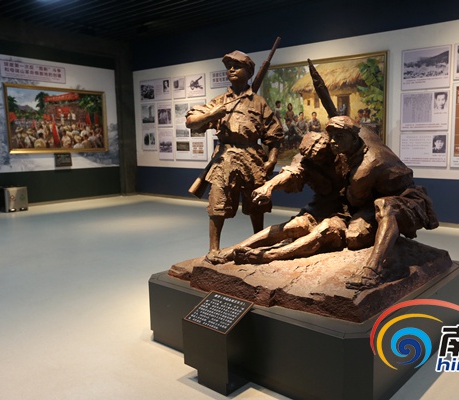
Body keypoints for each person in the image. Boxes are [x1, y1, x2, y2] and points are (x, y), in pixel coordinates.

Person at [185, 50, 284, 261]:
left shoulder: (259, 102)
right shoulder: (219, 101)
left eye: (237, 66)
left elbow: (273, 133)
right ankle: (213, 250)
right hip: (225, 159)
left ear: (249, 72)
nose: (231, 69)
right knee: (217, 204)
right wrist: (212, 114)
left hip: (252, 158)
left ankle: (258, 243)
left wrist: (272, 159)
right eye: (228, 66)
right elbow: (191, 121)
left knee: (257, 204)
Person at [325, 116, 439, 289]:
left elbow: (355, 199)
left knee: (384, 206)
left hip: (408, 202)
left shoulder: (366, 168)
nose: (332, 141)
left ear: (353, 138)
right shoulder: (363, 133)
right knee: (354, 238)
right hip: (374, 199)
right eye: (331, 136)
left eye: (339, 137)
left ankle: (373, 270)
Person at [209, 130, 349, 264]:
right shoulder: (306, 159)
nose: (315, 163)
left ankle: (269, 255)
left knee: (324, 229)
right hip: (322, 208)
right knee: (292, 226)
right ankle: (232, 251)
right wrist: (268, 187)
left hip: (347, 213)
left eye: (319, 158)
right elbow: (292, 173)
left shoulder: (347, 158)